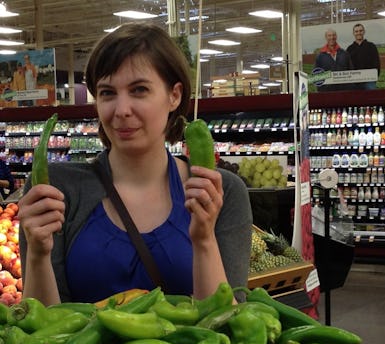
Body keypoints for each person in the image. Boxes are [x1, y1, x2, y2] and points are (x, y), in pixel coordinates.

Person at [17, 22, 253, 306]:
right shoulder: (56, 190)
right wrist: (38, 254)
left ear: (174, 95)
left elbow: (228, 325)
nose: (121, 110)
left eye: (139, 90)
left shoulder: (220, 192)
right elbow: (43, 327)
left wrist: (203, 240)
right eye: (107, 93)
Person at [346, 23, 381, 90]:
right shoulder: (349, 49)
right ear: (353, 33)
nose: (359, 33)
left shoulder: (371, 46)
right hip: (354, 82)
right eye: (356, 31)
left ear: (364, 32)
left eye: (360, 31)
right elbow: (347, 66)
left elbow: (377, 63)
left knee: (371, 99)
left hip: (369, 81)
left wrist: (374, 78)